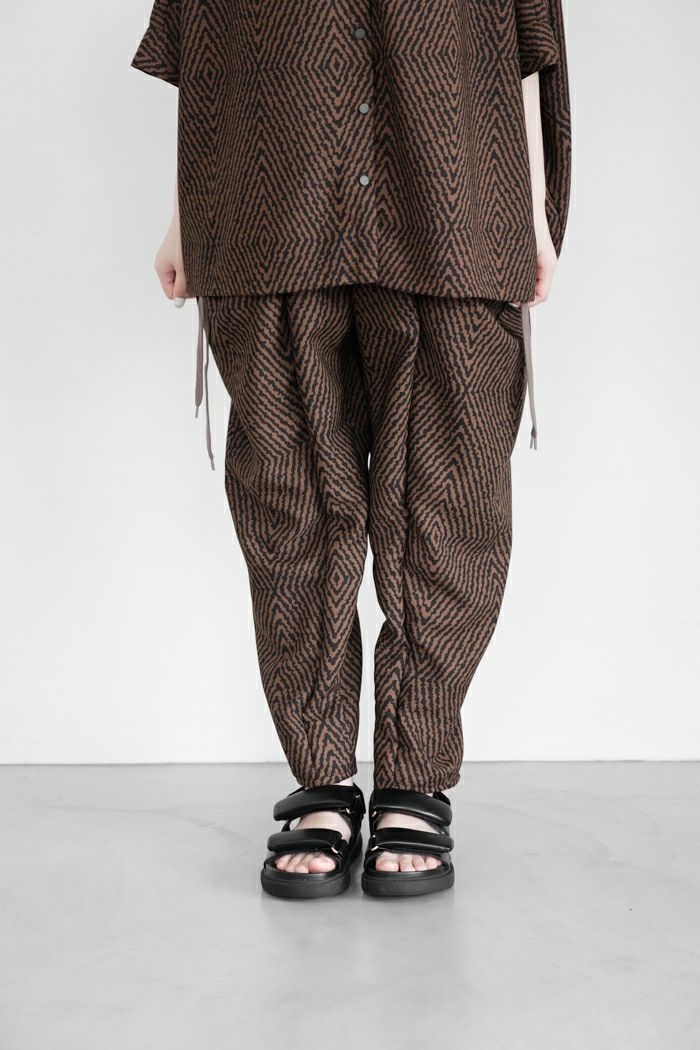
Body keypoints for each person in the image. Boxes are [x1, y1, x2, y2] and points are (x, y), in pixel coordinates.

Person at [131, 0, 571, 899]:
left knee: (446, 506)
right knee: (291, 506)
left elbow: (527, 41)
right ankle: (324, 778)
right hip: (269, 208)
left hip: (455, 207)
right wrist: (184, 215)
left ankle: (415, 776)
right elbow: (202, 49)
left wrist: (530, 206)